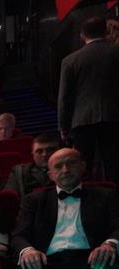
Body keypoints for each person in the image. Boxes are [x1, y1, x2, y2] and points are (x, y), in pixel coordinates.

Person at [58, 16, 119, 182]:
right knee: (114, 165)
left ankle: (89, 197)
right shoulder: (115, 53)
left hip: (82, 120)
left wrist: (64, 127)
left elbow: (64, 98)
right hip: (114, 116)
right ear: (105, 32)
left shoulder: (69, 61)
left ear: (82, 35)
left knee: (83, 167)